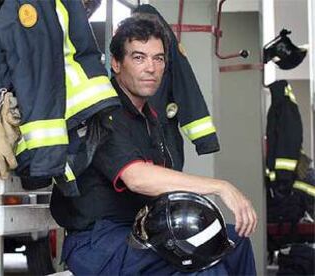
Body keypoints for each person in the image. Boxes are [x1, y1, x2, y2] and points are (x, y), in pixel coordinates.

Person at [50, 14, 257, 275]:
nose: (151, 68)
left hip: (144, 230)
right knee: (202, 265)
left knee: (233, 243)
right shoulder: (102, 114)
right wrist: (221, 187)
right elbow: (137, 177)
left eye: (158, 59)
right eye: (138, 57)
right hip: (98, 242)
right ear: (116, 63)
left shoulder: (151, 119)